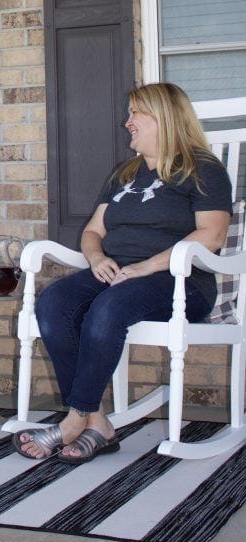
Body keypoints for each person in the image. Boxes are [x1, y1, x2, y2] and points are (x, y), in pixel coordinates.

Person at [15, 82, 232, 465]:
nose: (127, 122)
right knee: (53, 303)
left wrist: (146, 266)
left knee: (108, 308)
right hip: (117, 272)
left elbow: (211, 235)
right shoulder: (126, 172)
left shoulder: (203, 169)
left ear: (163, 118)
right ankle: (99, 422)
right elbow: (93, 231)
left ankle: (75, 419)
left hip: (180, 280)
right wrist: (96, 257)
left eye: (136, 114)